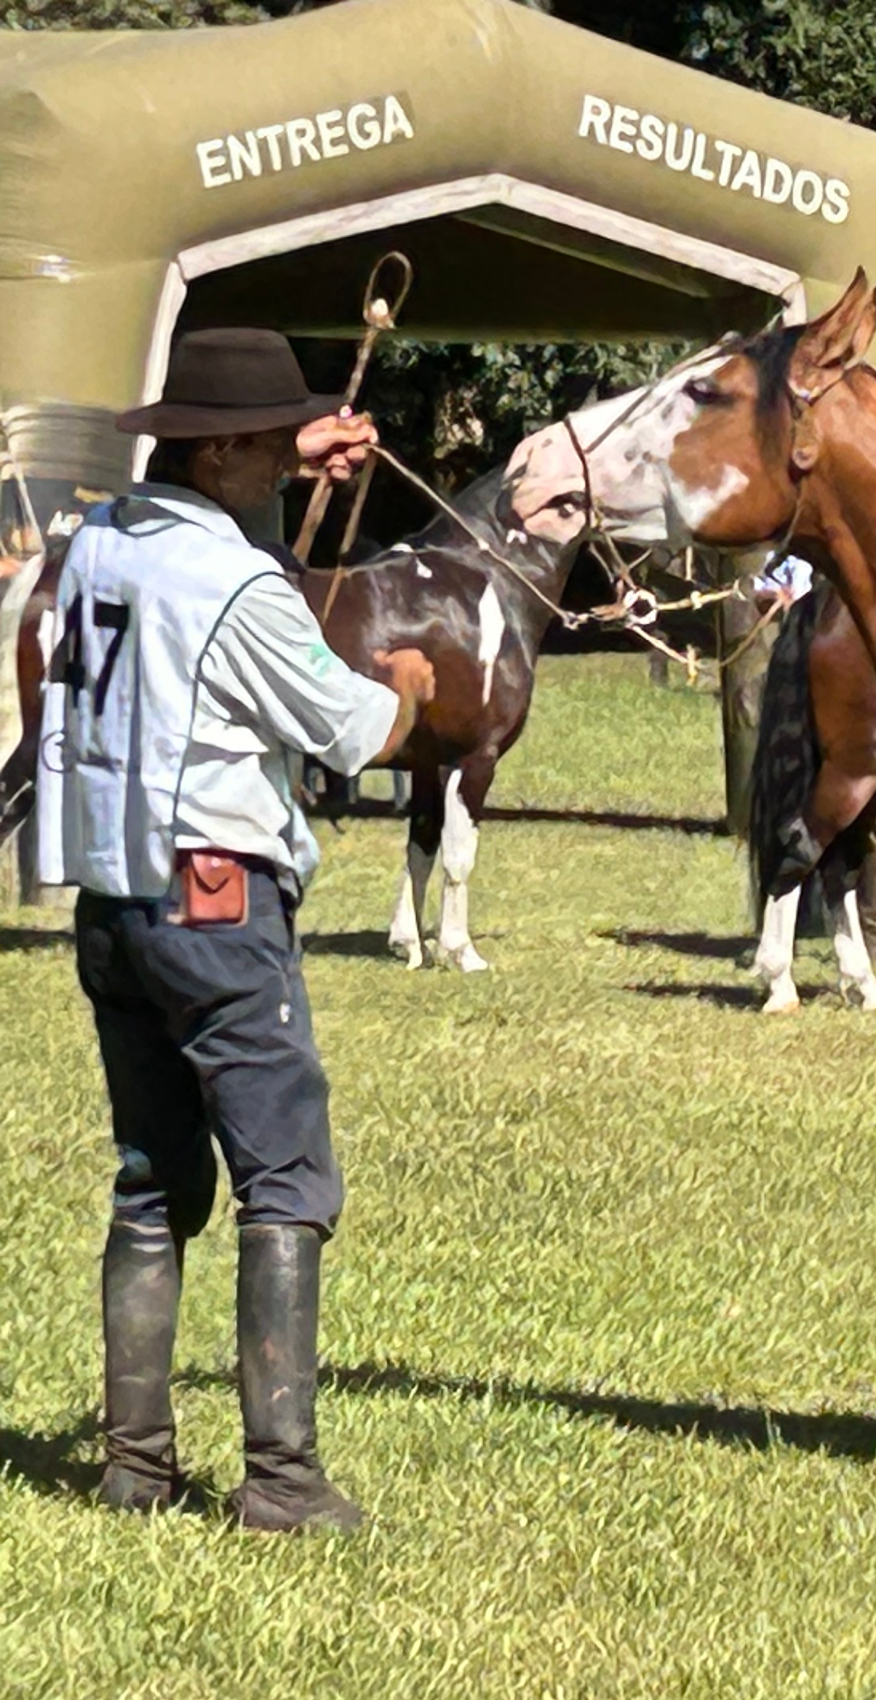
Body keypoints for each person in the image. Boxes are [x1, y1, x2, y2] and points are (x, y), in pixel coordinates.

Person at [54, 327, 437, 1533]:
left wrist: (295, 464)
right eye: (267, 442)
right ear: (217, 445)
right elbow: (353, 727)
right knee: (287, 1179)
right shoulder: (238, 585)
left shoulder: (99, 539)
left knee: (150, 1183)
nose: (284, 457)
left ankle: (133, 1465)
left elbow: (200, 548)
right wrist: (414, 691)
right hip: (219, 905)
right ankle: (279, 1479)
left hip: (112, 903)